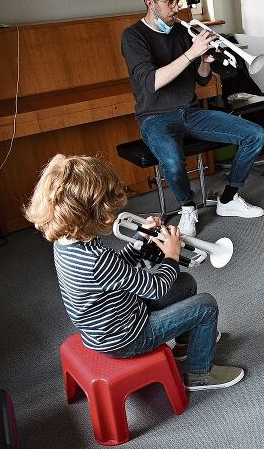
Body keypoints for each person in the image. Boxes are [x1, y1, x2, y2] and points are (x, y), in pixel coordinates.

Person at [24, 154, 244, 390]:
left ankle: (186, 344)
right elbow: (157, 287)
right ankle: (201, 374)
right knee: (206, 305)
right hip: (127, 338)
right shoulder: (96, 260)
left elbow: (116, 271)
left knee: (186, 283)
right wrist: (171, 254)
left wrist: (140, 239)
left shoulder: (67, 244)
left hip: (112, 321)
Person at [121, 0, 264, 237]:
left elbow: (201, 81)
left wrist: (203, 60)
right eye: (169, 2)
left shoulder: (180, 32)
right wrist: (191, 53)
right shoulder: (133, 37)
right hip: (154, 117)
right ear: (150, 3)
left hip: (191, 111)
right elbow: (152, 82)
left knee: (254, 134)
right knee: (173, 161)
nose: (176, 9)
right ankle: (188, 208)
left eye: (177, 1)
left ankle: (228, 199)